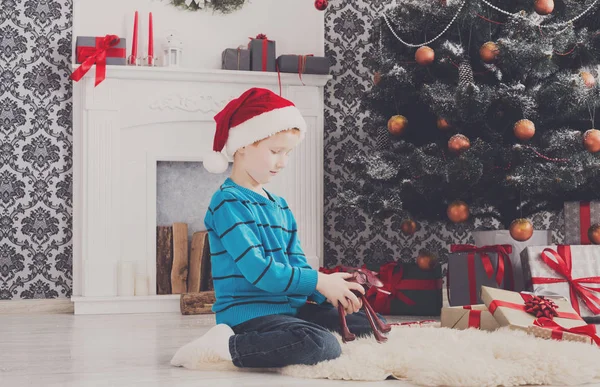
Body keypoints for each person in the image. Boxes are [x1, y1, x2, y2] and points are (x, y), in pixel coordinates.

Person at [171, 87, 386, 369]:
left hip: (290, 310)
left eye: (288, 153)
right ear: (242, 147)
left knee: (371, 325)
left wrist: (332, 291)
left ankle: (291, 335)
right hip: (248, 316)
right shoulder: (227, 203)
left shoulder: (279, 205)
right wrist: (320, 281)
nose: (283, 162)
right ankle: (226, 345)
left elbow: (296, 262)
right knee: (322, 344)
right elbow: (261, 272)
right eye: (275, 151)